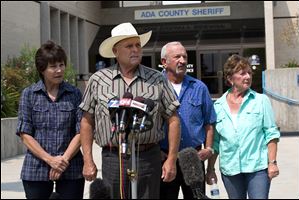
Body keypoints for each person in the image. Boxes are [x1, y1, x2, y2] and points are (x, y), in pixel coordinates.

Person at [79, 22, 181, 199]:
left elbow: (173, 119)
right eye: (129, 46)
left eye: (138, 45)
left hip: (148, 157)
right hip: (112, 157)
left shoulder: (157, 78)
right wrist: (88, 160)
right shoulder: (98, 80)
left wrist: (171, 159)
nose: (135, 50)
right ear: (116, 51)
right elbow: (87, 121)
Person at [16, 40, 84, 199]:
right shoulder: (29, 94)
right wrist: (50, 160)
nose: (59, 70)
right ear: (42, 69)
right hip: (36, 168)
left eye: (61, 65)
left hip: (71, 167)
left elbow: (81, 131)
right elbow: (24, 133)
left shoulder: (74, 94)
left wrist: (62, 161)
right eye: (53, 66)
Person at [206, 54, 280, 199]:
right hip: (230, 168)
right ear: (230, 78)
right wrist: (210, 169)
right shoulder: (218, 106)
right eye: (242, 73)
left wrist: (272, 163)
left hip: (257, 167)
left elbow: (271, 134)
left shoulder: (261, 101)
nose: (248, 76)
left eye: (249, 73)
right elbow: (215, 143)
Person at [159, 41, 216, 199]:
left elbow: (209, 122)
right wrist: (155, 151)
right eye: (177, 57)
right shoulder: (155, 87)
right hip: (164, 158)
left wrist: (209, 148)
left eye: (184, 56)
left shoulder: (199, 87)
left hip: (193, 157)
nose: (182, 60)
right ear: (164, 62)